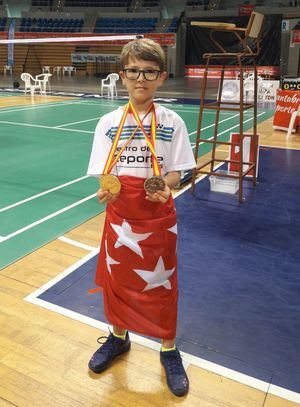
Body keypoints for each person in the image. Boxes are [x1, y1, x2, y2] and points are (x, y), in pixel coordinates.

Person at [87, 38, 196, 397]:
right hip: (120, 218)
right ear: (122, 76)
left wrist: (166, 185)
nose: (141, 79)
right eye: (133, 71)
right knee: (119, 282)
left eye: (149, 72)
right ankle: (119, 338)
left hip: (158, 216)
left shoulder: (171, 121)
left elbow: (178, 171)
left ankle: (168, 349)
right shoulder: (107, 123)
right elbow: (107, 173)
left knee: (163, 287)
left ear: (161, 78)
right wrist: (106, 191)